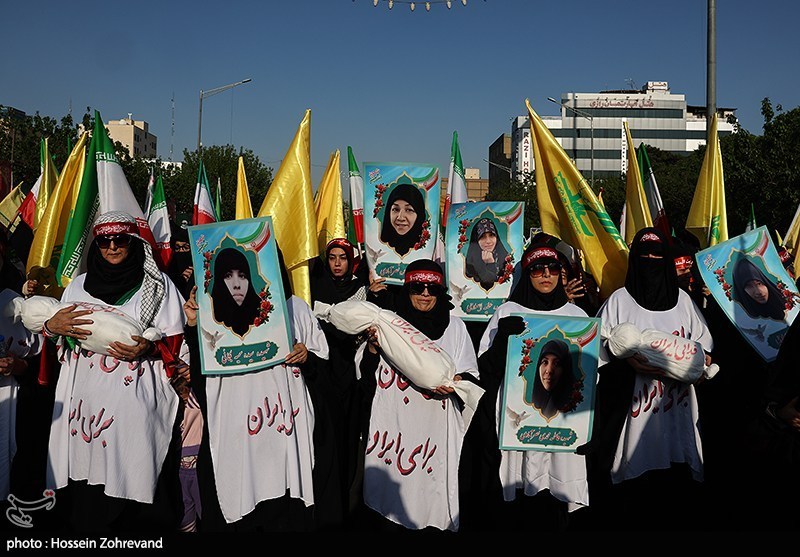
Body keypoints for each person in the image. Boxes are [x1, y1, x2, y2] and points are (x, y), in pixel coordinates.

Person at [44, 211, 186, 531]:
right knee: (89, 496)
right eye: (104, 241)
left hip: (135, 407)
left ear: (132, 242)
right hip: (86, 411)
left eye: (119, 240)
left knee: (135, 488)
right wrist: (52, 327)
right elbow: (56, 343)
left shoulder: (158, 287)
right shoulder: (77, 287)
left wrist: (149, 348)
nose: (112, 247)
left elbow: (179, 342)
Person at [191, 247, 329, 531]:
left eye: (244, 274)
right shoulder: (209, 318)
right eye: (228, 275)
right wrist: (194, 327)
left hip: (284, 434)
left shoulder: (295, 309)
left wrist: (307, 357)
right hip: (237, 437)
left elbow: (327, 369)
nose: (237, 284)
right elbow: (200, 379)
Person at [591, 227, 714, 531]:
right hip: (632, 412)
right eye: (644, 255)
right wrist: (627, 362)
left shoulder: (684, 302)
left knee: (675, 497)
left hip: (677, 414)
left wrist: (701, 363)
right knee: (634, 500)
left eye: (657, 255)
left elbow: (705, 346)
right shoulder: (619, 302)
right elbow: (595, 351)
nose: (651, 260)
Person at [468, 242, 590, 532]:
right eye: (537, 269)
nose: (546, 275)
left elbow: (590, 378)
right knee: (519, 500)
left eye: (553, 268)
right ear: (527, 274)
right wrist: (502, 342)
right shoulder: (508, 311)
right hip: (518, 425)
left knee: (556, 498)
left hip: (562, 427)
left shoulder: (578, 318)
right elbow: (485, 370)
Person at [356, 259, 479, 532]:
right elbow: (364, 379)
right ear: (406, 289)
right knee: (391, 505)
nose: (425, 294)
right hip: (396, 429)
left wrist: (457, 383)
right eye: (417, 287)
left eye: (432, 289)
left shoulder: (455, 327)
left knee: (430, 499)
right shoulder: (389, 324)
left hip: (434, 432)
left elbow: (471, 374)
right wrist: (373, 349)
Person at [310, 238, 369, 527]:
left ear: (350, 260)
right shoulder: (315, 286)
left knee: (347, 440)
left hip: (348, 374)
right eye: (332, 257)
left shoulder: (360, 289)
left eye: (342, 258)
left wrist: (327, 314)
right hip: (322, 373)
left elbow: (351, 328)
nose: (336, 263)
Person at [211, 247, 261, 337]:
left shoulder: (263, 313)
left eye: (242, 276)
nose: (237, 285)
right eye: (228, 276)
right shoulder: (208, 316)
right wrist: (192, 323)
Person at [528, 339, 577, 421]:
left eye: (557, 363)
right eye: (545, 362)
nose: (549, 370)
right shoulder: (533, 404)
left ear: (565, 369)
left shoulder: (575, 408)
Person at [379, 183, 426, 257]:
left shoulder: (428, 253)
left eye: (409, 210)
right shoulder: (375, 252)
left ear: (419, 215)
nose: (400, 218)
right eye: (396, 209)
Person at [465, 218, 510, 290]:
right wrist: (489, 264)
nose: (488, 241)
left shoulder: (505, 257)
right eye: (482, 237)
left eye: (491, 235)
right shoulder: (471, 262)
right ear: (476, 240)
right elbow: (487, 287)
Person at [166, 223, 194, 301]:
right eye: (177, 248)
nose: (181, 251)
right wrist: (180, 281)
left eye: (186, 247)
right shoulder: (171, 272)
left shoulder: (201, 270)